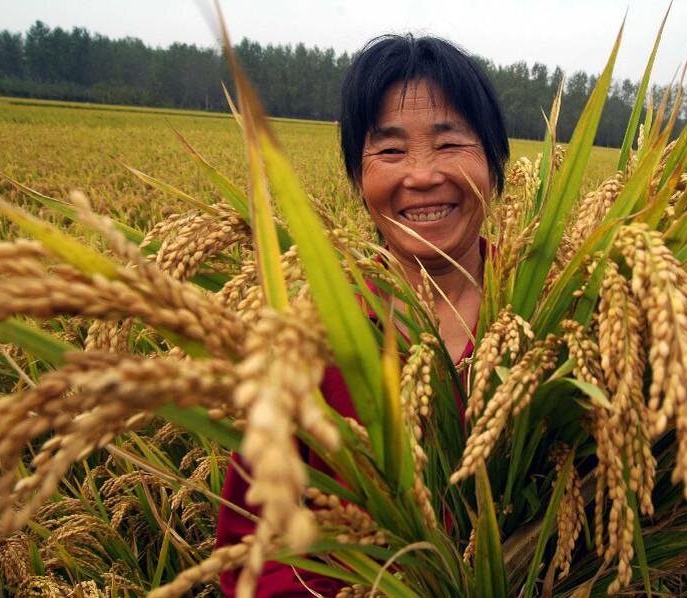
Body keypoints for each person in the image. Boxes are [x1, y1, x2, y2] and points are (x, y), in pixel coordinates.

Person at [215, 33, 509, 597]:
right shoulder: (308, 337)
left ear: (494, 163)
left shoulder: (552, 312)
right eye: (391, 151)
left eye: (449, 145)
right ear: (358, 177)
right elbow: (249, 551)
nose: (421, 176)